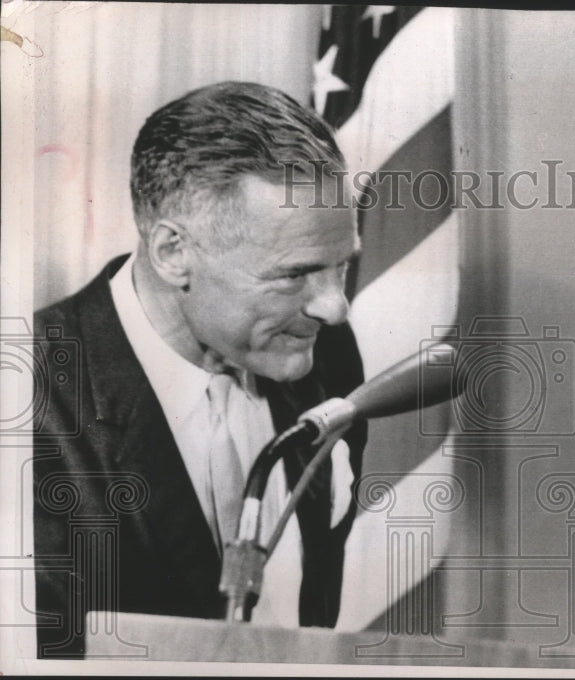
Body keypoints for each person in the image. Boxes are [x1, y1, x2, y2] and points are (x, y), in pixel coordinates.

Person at [33, 82, 367, 658]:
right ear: (172, 253)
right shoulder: (29, 403)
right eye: (296, 274)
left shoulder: (325, 353)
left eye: (341, 267)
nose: (334, 307)